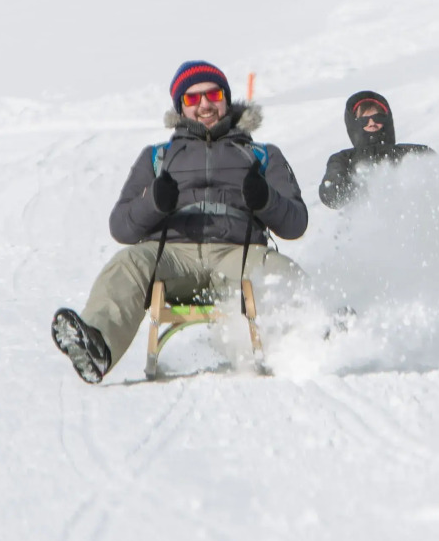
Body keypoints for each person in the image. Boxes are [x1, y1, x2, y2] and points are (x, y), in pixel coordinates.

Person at [52, 61, 309, 382]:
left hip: (239, 255)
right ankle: (97, 345)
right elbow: (121, 226)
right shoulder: (157, 156)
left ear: (226, 99)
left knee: (279, 270)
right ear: (180, 107)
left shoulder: (262, 154)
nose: (204, 105)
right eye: (192, 98)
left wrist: (265, 199)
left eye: (213, 94)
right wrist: (154, 203)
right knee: (128, 263)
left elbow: (296, 223)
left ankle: (313, 338)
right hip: (172, 257)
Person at [318, 90, 434, 208]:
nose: (372, 122)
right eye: (364, 119)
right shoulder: (343, 159)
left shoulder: (412, 152)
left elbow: (437, 178)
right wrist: (357, 187)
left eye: (378, 117)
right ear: (354, 123)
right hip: (365, 218)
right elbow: (331, 195)